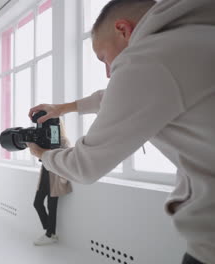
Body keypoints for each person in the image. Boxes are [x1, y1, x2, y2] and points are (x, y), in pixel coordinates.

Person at [27, 0, 215, 263]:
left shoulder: (147, 58)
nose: (107, 72)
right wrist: (62, 108)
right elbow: (116, 96)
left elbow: (84, 166)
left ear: (123, 29)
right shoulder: (193, 37)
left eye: (102, 58)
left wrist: (41, 154)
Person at [33, 118, 72, 246]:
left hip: (55, 177)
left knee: (52, 206)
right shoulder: (45, 139)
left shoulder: (64, 141)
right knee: (37, 203)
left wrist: (63, 180)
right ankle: (49, 230)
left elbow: (66, 160)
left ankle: (50, 234)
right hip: (45, 174)